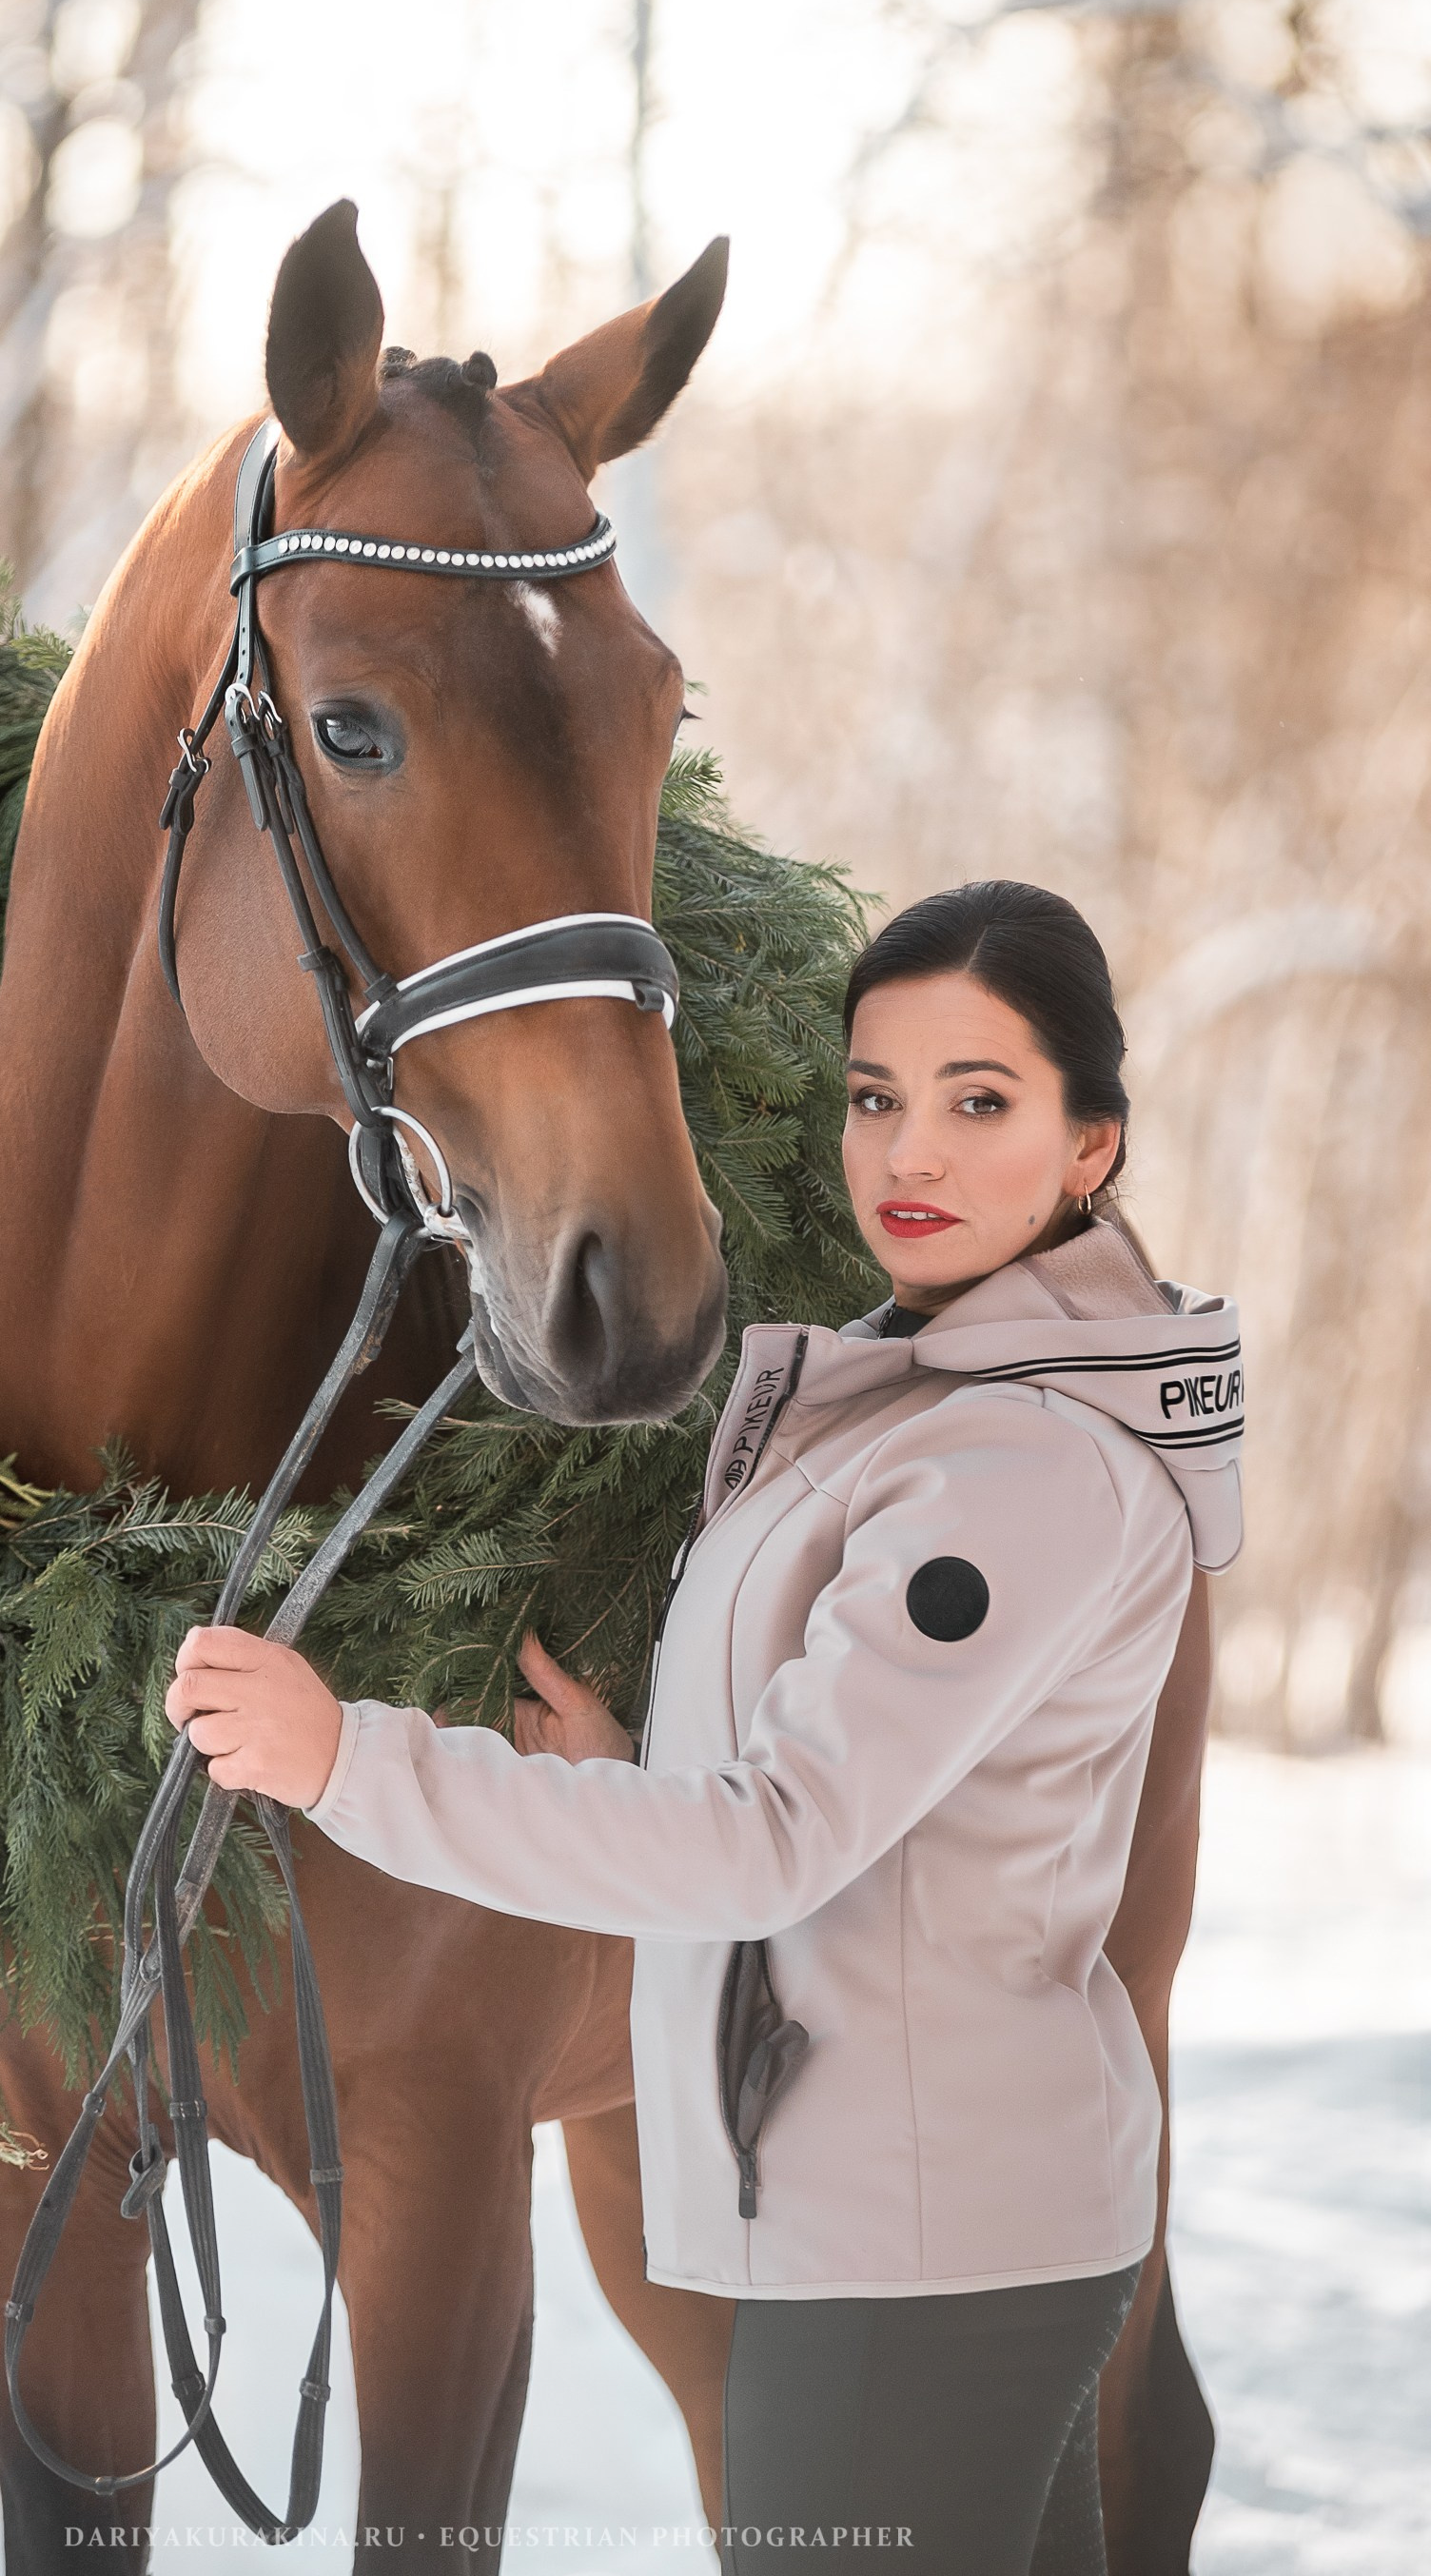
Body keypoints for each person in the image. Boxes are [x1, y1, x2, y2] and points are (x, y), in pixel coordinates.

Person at [165, 879, 1243, 2575]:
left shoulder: (1011, 1470)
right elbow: (845, 1795)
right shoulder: (930, 1401)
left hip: (921, 2247)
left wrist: (341, 1759)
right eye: (878, 1097)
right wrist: (629, 1778)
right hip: (934, 2216)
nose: (911, 1156)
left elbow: (771, 1842)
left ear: (1091, 1146)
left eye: (982, 1102)